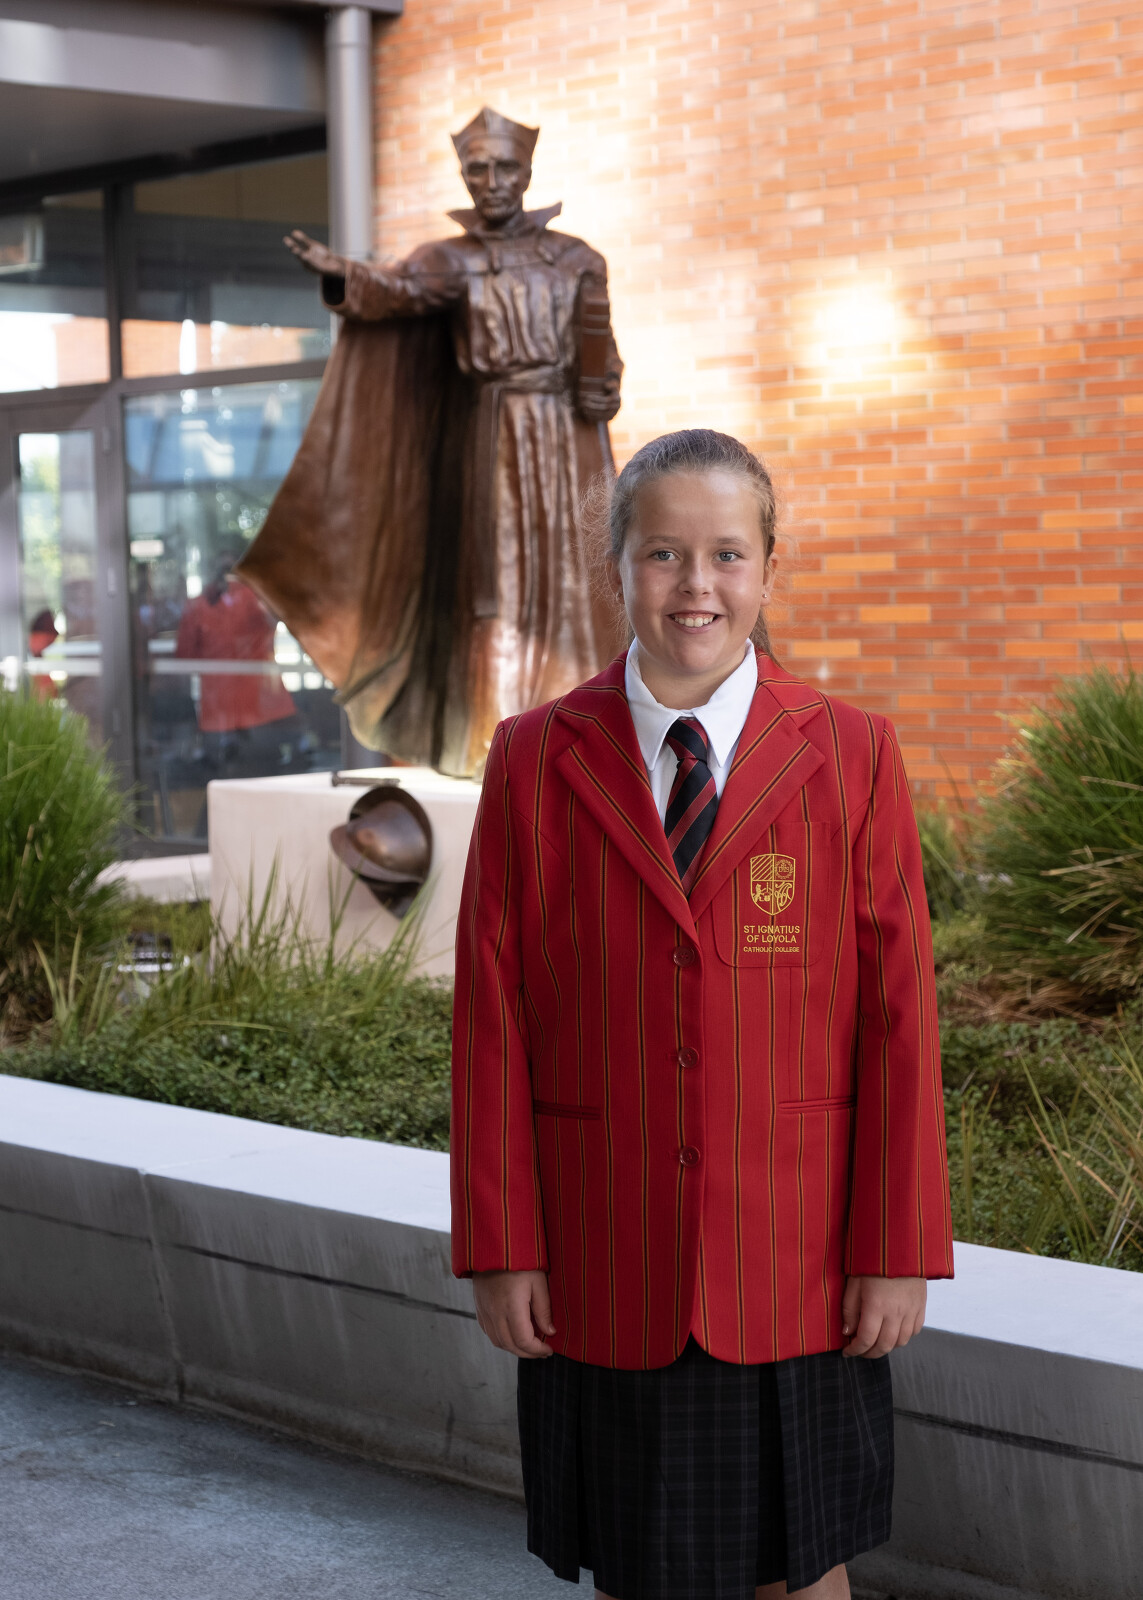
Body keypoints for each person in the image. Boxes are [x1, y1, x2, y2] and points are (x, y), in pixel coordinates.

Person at [451, 429, 953, 1600]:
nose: (697, 585)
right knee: (644, 1567)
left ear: (769, 569)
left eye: (728, 553)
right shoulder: (533, 758)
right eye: (664, 552)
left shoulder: (853, 755)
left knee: (804, 1568)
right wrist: (501, 1242)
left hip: (797, 1256)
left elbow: (900, 1019)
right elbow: (491, 1017)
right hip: (606, 1250)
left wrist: (896, 1248)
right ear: (617, 566)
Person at [237, 106, 623, 778]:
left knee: (574, 587)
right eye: (478, 169)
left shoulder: (576, 259)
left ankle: (580, 733)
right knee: (494, 592)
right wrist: (344, 272)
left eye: (505, 167)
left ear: (527, 171)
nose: (492, 181)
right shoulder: (449, 260)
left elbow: (601, 355)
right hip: (490, 443)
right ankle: (496, 739)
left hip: (568, 444)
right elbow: (395, 291)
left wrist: (601, 386)